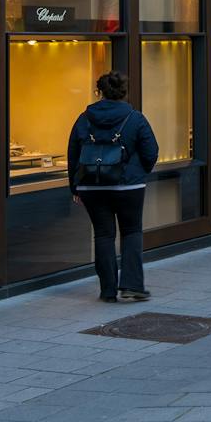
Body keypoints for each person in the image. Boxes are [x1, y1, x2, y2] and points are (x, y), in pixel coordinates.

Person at [67, 70, 161, 302]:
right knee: (131, 232)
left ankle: (107, 290)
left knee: (103, 235)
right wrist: (138, 173)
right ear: (124, 93)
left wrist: (75, 187)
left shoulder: (83, 118)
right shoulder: (135, 118)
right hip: (128, 187)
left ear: (99, 92)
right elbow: (151, 152)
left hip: (91, 185)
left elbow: (73, 154)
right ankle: (131, 285)